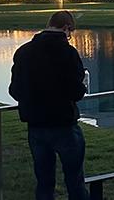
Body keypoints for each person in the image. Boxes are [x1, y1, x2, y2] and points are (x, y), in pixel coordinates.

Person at [9, 11, 89, 200]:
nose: (69, 37)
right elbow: (76, 92)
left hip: (36, 125)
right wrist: (82, 86)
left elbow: (15, 90)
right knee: (75, 180)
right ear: (66, 28)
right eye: (70, 33)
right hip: (64, 124)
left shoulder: (24, 52)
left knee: (44, 181)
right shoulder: (68, 53)